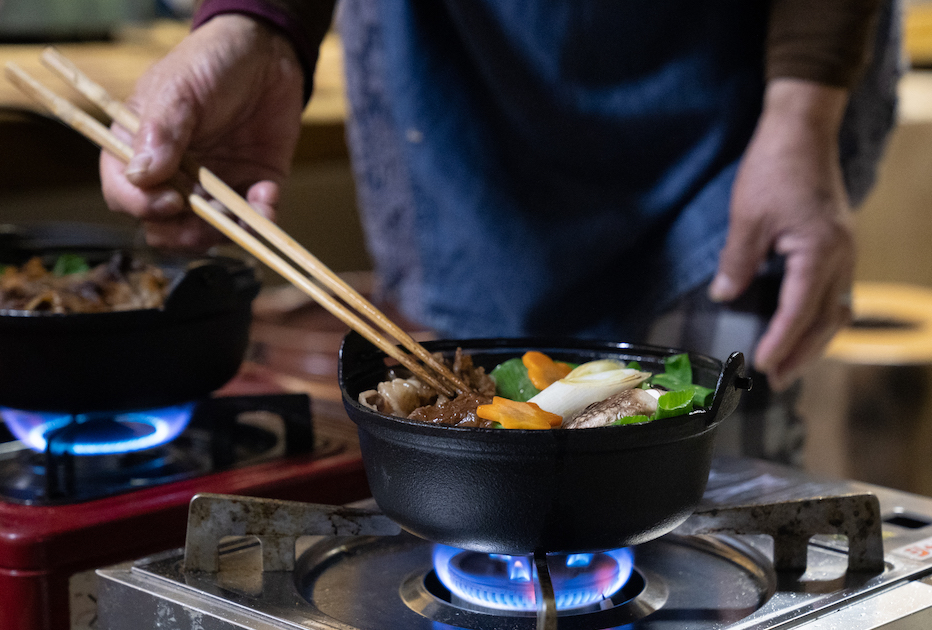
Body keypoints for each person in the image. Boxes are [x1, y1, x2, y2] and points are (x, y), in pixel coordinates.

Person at [100, 0, 899, 463]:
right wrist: (258, 23)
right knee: (473, 461)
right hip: (460, 103)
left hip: (737, 95)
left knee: (712, 490)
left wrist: (804, 112)